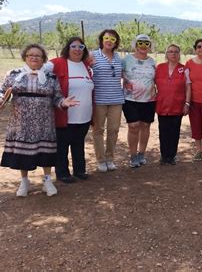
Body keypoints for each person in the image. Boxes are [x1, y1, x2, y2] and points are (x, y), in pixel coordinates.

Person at [0, 44, 79, 197]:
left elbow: (57, 98)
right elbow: (2, 91)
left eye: (38, 55)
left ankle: (47, 181)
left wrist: (63, 103)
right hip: (21, 122)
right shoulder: (14, 74)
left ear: (43, 59)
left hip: (44, 122)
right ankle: (24, 181)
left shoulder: (51, 77)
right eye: (30, 55)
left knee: (45, 152)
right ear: (25, 57)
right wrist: (0, 99)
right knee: (23, 153)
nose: (34, 57)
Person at [49, 37, 93, 183]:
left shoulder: (86, 65)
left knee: (79, 143)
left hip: (84, 115)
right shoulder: (58, 63)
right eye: (74, 46)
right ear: (68, 48)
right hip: (65, 115)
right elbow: (39, 68)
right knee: (62, 145)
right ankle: (62, 173)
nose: (77, 50)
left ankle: (79, 170)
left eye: (81, 47)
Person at [91, 29, 125, 172]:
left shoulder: (118, 58)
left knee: (114, 130)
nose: (109, 41)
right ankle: (100, 160)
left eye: (113, 39)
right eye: (106, 38)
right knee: (98, 130)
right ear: (102, 39)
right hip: (99, 99)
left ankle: (110, 158)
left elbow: (123, 74)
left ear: (116, 42)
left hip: (116, 99)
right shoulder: (93, 56)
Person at [122, 34, 156, 168]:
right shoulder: (126, 60)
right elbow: (117, 75)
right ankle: (133, 155)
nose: (143, 46)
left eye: (146, 43)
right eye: (140, 43)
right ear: (135, 45)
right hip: (130, 99)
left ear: (149, 46)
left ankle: (141, 153)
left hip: (149, 99)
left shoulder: (152, 61)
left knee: (145, 126)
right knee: (134, 126)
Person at [155, 44, 191, 165]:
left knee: (174, 131)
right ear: (166, 54)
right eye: (170, 51)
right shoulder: (159, 67)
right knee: (163, 131)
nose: (173, 54)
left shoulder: (184, 69)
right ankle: (164, 156)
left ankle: (172, 156)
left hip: (178, 105)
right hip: (162, 104)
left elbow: (188, 87)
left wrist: (187, 103)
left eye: (176, 51)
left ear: (179, 54)